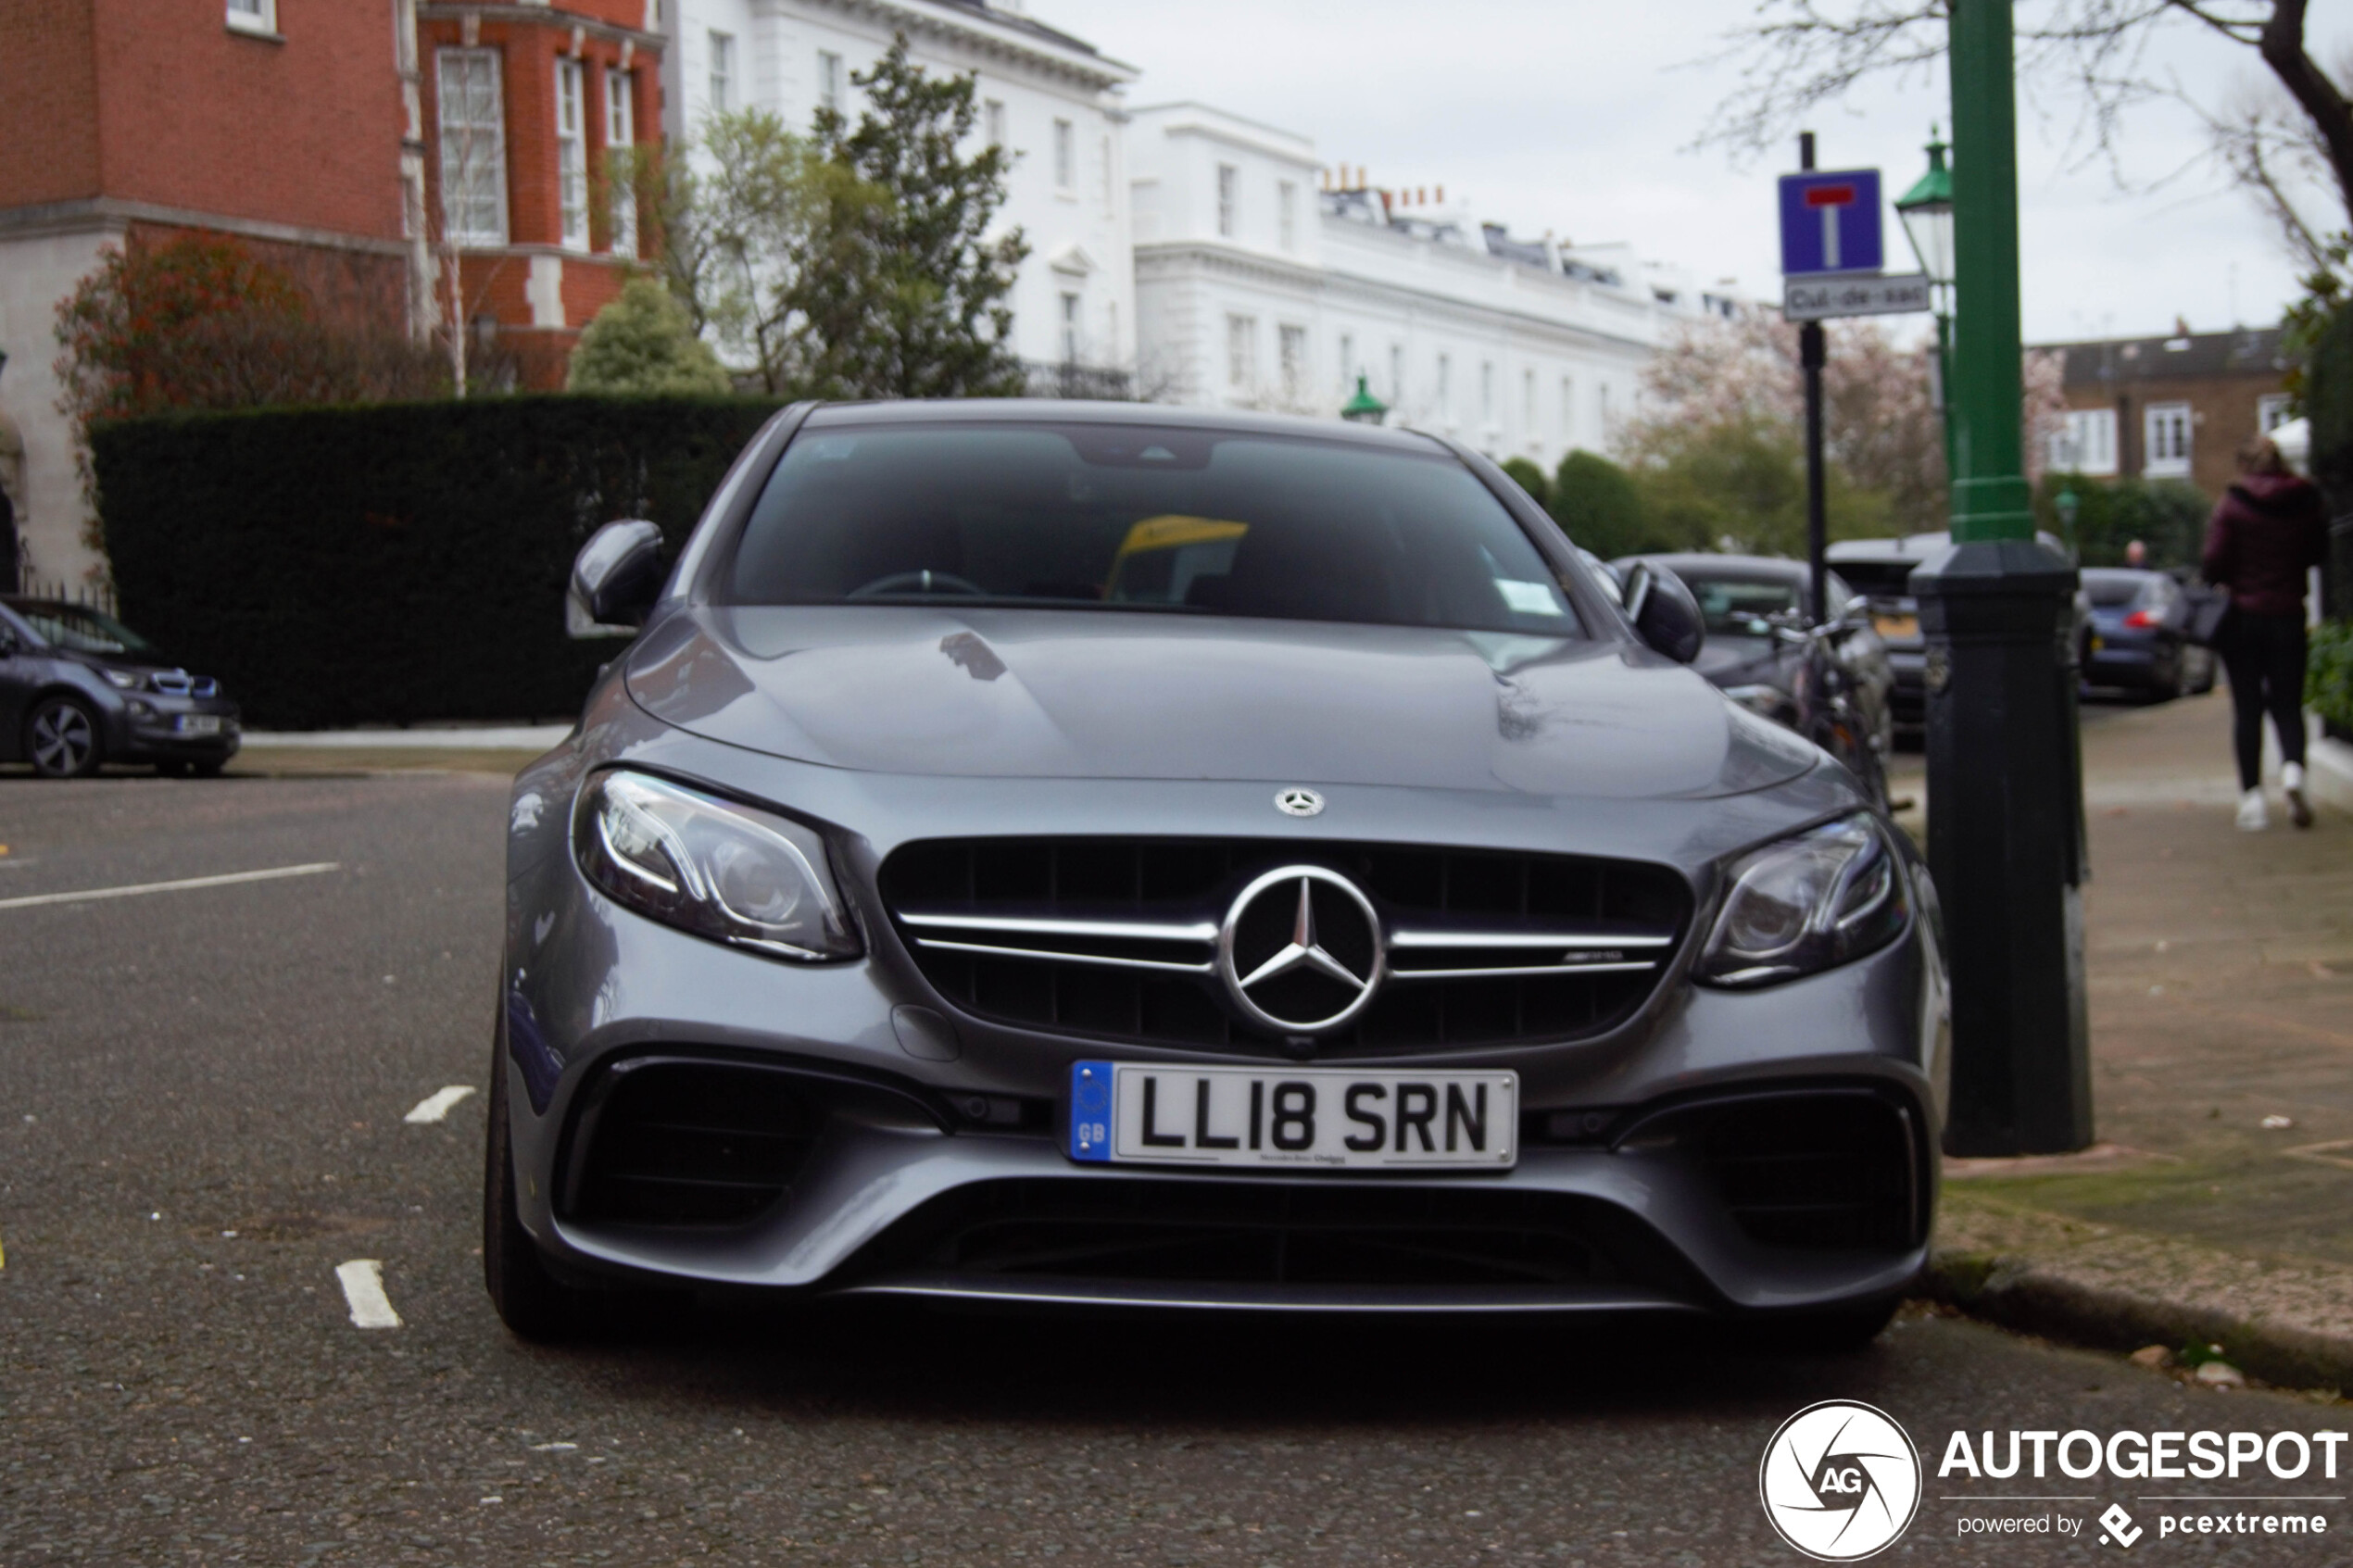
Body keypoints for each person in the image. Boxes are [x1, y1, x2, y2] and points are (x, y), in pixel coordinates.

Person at [2201, 433, 2329, 830]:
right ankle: (2293, 771)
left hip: (2242, 617)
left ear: (2245, 464)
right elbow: (2318, 552)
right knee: (2289, 704)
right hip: (2289, 614)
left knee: (2248, 708)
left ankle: (2252, 800)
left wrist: (2229, 576)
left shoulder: (2233, 504)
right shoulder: (2307, 501)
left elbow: (2213, 561)